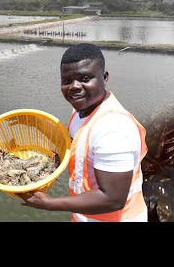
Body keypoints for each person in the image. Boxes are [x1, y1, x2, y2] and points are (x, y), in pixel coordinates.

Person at [18, 43, 148, 222]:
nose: (74, 86)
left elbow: (113, 199)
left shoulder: (114, 129)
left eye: (85, 78)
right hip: (86, 216)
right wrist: (35, 124)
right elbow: (76, 145)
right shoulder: (81, 111)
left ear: (104, 77)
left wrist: (49, 203)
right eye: (67, 80)